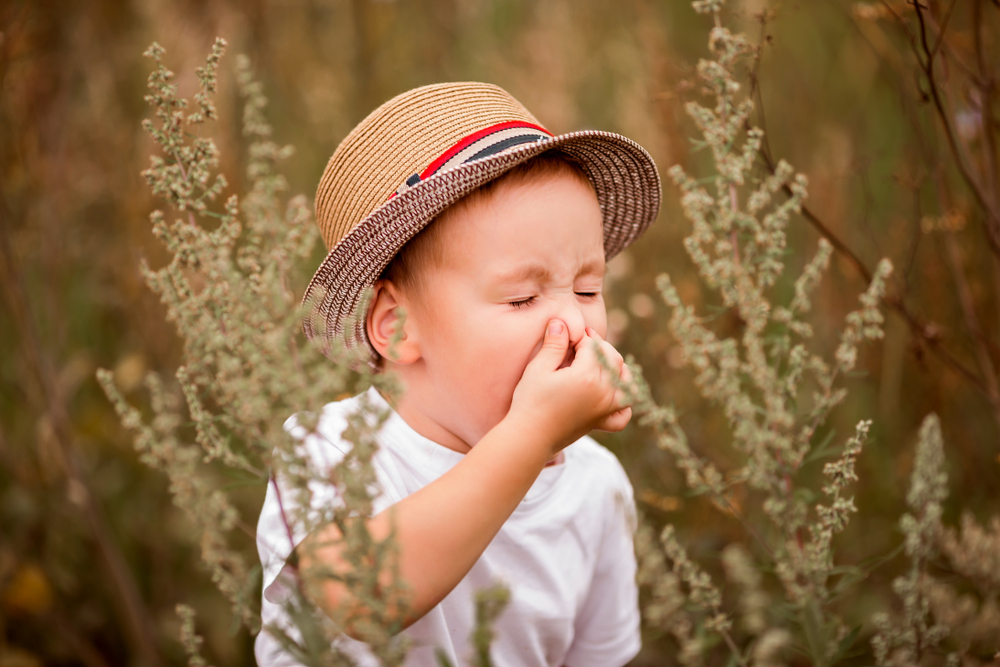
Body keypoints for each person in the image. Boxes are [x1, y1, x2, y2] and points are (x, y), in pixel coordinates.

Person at [255, 82, 661, 667]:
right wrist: (531, 434)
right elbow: (363, 598)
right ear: (396, 327)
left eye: (588, 288)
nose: (573, 323)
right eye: (522, 298)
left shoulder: (598, 486)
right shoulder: (327, 451)